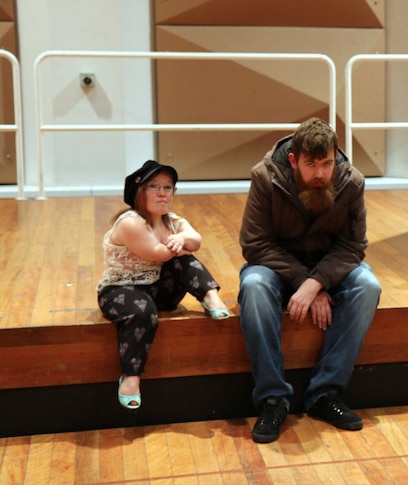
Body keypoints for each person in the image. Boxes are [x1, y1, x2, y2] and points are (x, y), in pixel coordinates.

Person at [238, 117, 380, 443]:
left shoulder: (352, 181)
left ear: (335, 158)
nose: (320, 174)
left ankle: (325, 394)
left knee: (367, 286)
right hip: (274, 265)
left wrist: (316, 283)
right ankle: (273, 399)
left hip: (327, 269)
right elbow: (254, 244)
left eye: (327, 163)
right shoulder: (265, 176)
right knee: (254, 287)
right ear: (293, 160)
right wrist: (306, 279)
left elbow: (353, 246)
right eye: (311, 164)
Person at [97, 160, 231, 410]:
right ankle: (131, 376)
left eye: (168, 187)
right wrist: (180, 243)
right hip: (121, 290)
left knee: (186, 260)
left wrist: (181, 238)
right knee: (143, 310)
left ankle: (211, 297)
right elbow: (156, 253)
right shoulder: (130, 222)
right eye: (154, 187)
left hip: (157, 289)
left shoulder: (171, 220)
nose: (162, 193)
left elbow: (196, 240)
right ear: (139, 193)